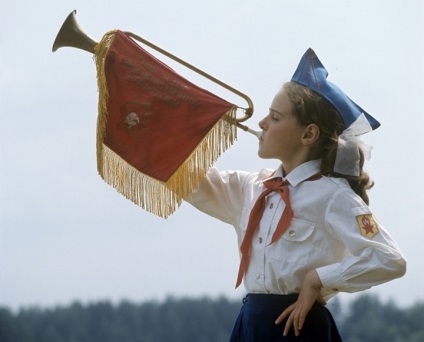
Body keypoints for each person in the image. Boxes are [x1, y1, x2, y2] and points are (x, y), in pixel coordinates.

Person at [185, 48, 406, 341]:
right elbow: (185, 176)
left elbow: (389, 259)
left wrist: (317, 281)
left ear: (308, 134)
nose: (262, 123)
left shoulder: (332, 195)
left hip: (299, 329)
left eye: (275, 118)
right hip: (250, 325)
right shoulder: (253, 187)